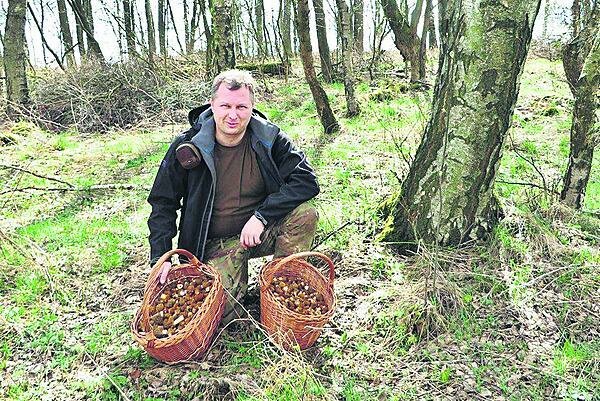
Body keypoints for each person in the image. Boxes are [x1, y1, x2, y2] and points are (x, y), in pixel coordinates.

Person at [147, 69, 320, 323]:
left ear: (252, 107)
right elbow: (163, 202)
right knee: (224, 316)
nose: (233, 115)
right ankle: (230, 281)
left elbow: (306, 181)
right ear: (212, 105)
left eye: (241, 107)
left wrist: (262, 216)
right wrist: (161, 256)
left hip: (258, 232)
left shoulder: (268, 138)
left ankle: (279, 287)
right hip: (212, 242)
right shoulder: (188, 146)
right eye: (225, 105)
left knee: (305, 214)